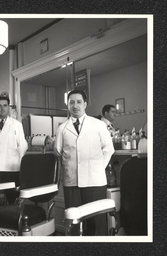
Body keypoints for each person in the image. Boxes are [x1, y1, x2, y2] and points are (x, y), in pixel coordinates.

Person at [54, 89, 115, 236]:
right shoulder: (62, 129)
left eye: (79, 102)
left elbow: (109, 149)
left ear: (85, 104)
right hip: (72, 182)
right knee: (74, 222)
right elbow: (58, 152)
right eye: (71, 102)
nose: (75, 106)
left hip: (95, 181)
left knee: (96, 222)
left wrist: (98, 168)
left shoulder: (98, 125)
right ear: (68, 105)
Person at [0, 93, 28, 204]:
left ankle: (13, 220)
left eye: (5, 105)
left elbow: (22, 146)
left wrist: (16, 161)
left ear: (9, 107)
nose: (2, 108)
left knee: (13, 200)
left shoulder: (17, 125)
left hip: (11, 169)